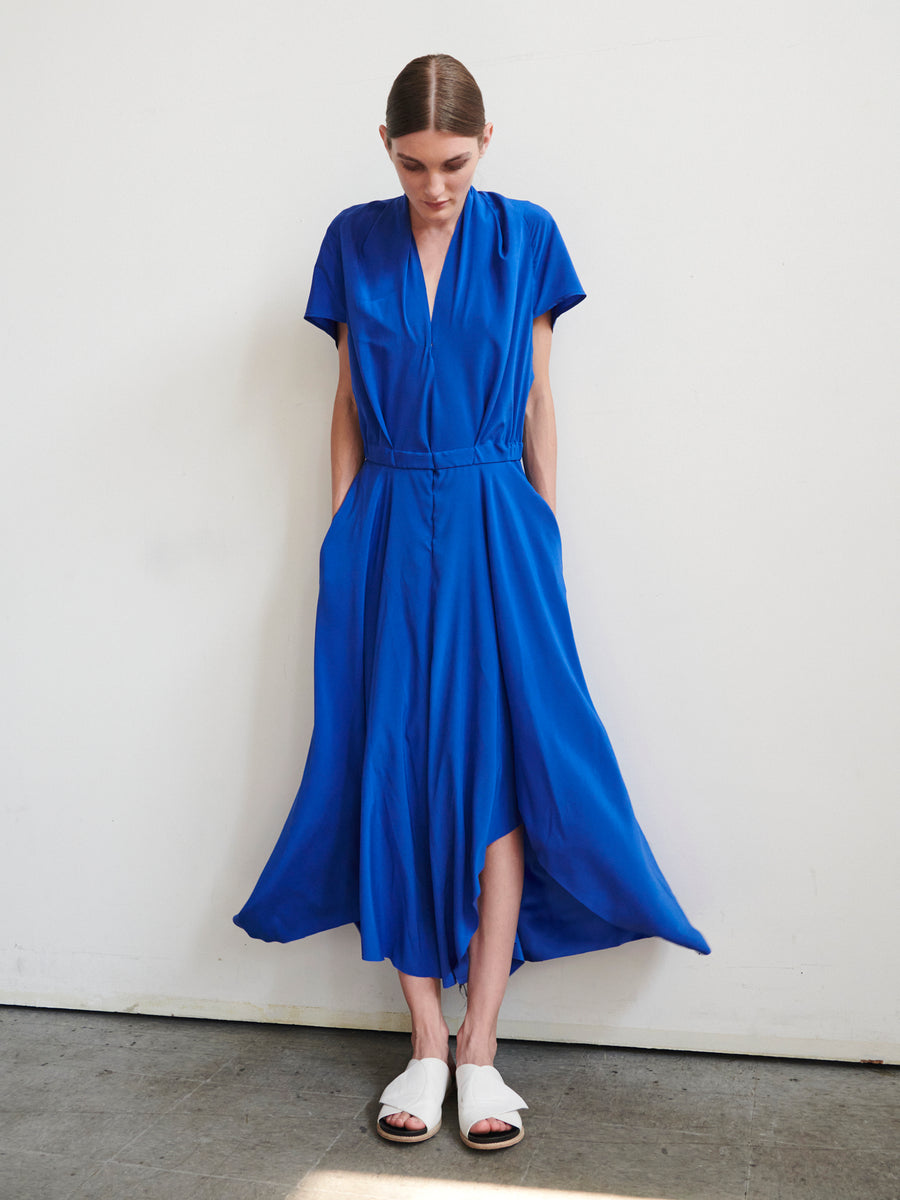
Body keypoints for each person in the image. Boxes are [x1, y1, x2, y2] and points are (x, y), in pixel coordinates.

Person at [234, 53, 709, 1151]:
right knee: (393, 766)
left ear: (486, 143)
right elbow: (347, 400)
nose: (433, 186)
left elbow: (541, 395)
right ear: (387, 152)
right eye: (412, 165)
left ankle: (483, 1048)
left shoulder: (527, 235)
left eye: (451, 162)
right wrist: (341, 533)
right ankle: (423, 1044)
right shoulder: (353, 239)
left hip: (500, 521)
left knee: (497, 773)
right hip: (388, 523)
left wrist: (543, 527)